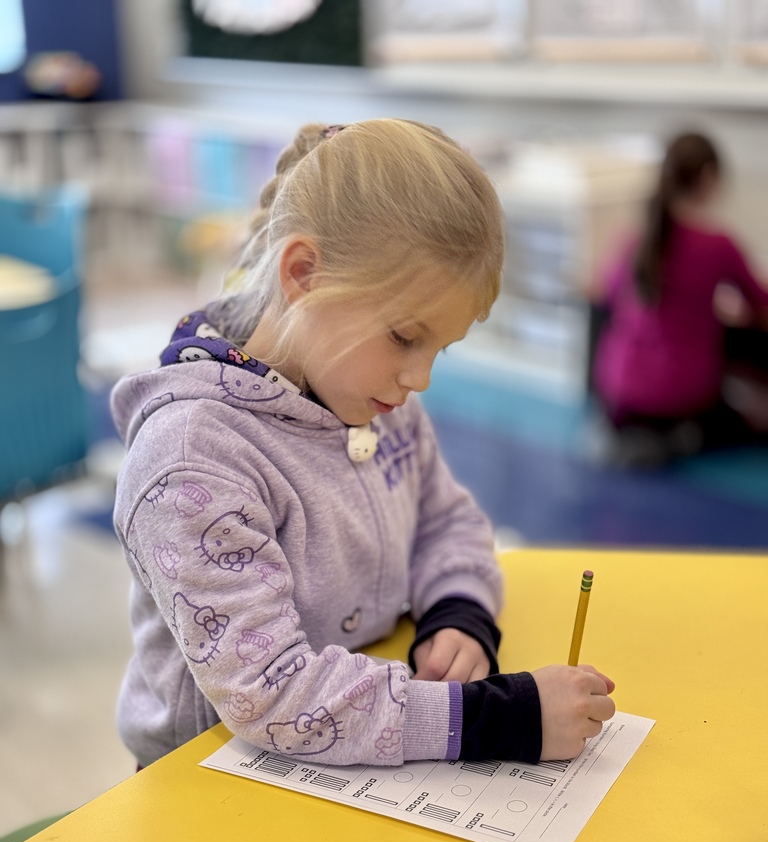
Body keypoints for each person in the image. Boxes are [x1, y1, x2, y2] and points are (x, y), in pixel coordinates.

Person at [111, 119, 615, 769]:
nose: (420, 377)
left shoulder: (369, 392)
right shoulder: (191, 459)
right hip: (209, 784)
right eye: (406, 337)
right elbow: (274, 697)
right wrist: (503, 717)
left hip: (357, 753)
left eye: (440, 347)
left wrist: (458, 614)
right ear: (304, 273)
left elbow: (446, 520)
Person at [592, 131, 768, 466]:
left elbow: (610, 296)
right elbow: (760, 301)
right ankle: (679, 436)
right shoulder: (718, 245)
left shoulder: (633, 241)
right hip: (677, 395)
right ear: (708, 178)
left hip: (617, 392)